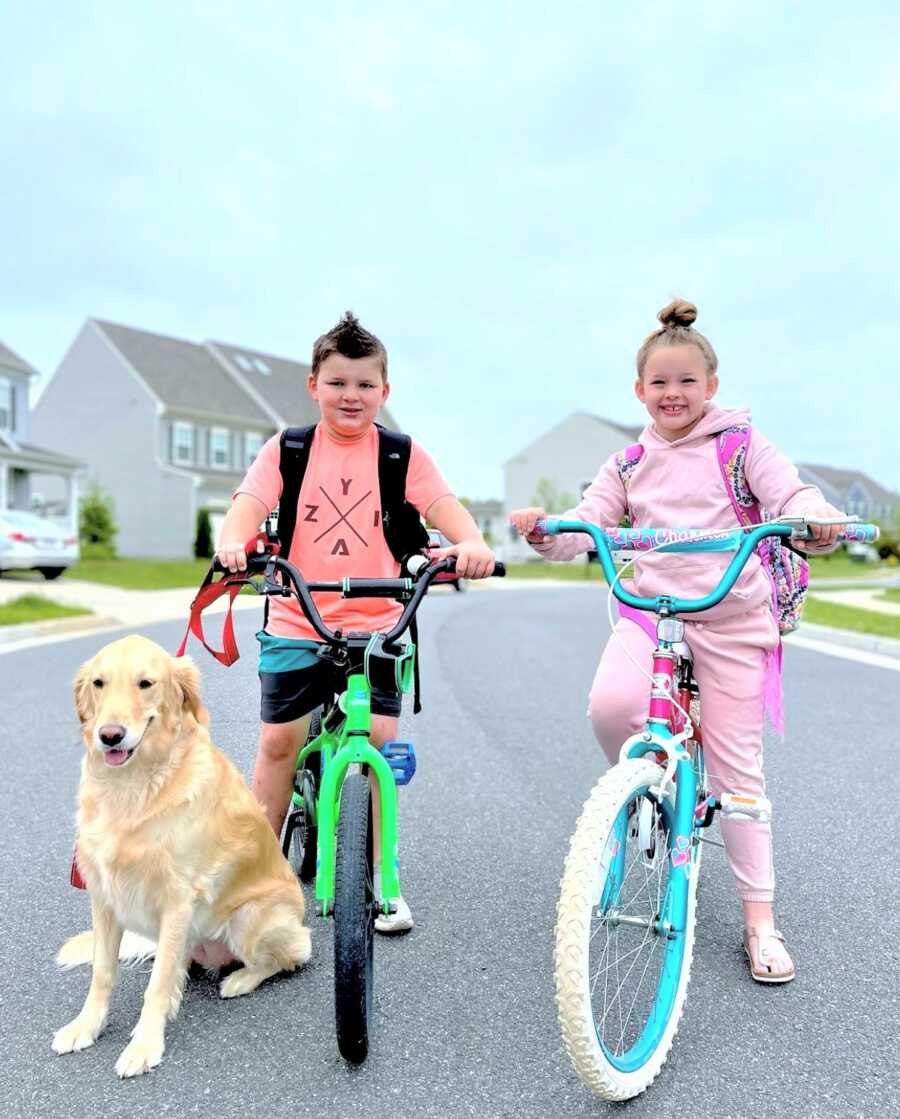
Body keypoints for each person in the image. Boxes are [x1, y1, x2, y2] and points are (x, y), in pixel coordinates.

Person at [510, 299, 847, 983]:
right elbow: (590, 521)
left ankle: (759, 920)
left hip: (730, 618)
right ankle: (647, 791)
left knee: (738, 775)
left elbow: (791, 493)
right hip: (652, 611)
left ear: (711, 386)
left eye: (687, 381)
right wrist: (547, 530)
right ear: (640, 391)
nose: (673, 394)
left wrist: (812, 515)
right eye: (659, 383)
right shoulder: (628, 463)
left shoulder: (741, 447)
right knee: (609, 706)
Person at [217, 311, 495, 933]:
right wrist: (236, 543)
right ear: (314, 384)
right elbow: (249, 506)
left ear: (385, 392)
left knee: (380, 741)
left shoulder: (400, 454)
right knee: (277, 744)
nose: (352, 396)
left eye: (366, 385)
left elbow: (446, 510)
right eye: (338, 383)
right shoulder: (288, 449)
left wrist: (471, 542)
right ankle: (256, 885)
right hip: (299, 614)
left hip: (380, 619)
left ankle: (380, 874)